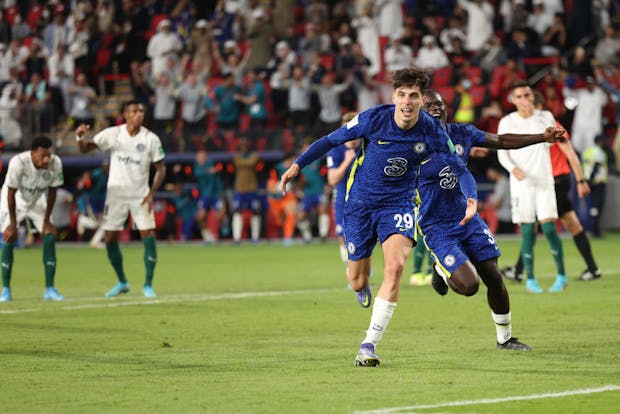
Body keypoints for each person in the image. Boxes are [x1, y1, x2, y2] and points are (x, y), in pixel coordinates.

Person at [280, 67, 481, 367]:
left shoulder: (432, 130)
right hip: (360, 204)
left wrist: (471, 197)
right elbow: (329, 141)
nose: (408, 101)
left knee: (396, 267)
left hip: (398, 204)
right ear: (394, 96)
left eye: (414, 95)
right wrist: (298, 166)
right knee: (356, 279)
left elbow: (458, 166)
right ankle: (362, 286)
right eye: (402, 94)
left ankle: (368, 344)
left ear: (420, 99)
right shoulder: (374, 118)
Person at [417, 89, 564, 352]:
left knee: (493, 275)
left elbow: (502, 141)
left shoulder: (461, 133)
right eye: (428, 105)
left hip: (467, 215)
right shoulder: (409, 143)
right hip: (436, 224)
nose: (436, 107)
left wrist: (542, 138)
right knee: (469, 285)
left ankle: (505, 339)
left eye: (439, 103)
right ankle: (440, 268)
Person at [501, 91, 602, 283]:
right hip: (558, 179)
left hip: (552, 180)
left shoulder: (551, 125)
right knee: (572, 223)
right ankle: (593, 268)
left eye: (531, 106)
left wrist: (581, 181)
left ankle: (519, 270)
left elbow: (571, 153)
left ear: (538, 107)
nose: (527, 110)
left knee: (532, 223)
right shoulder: (538, 126)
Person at [75, 100, 166, 298]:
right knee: (110, 238)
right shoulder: (113, 134)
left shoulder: (151, 139)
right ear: (125, 114)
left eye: (142, 111)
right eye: (135, 111)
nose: (139, 114)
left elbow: (161, 168)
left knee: (147, 235)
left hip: (140, 194)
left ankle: (148, 285)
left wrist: (151, 192)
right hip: (116, 195)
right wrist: (79, 137)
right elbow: (85, 149)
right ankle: (122, 281)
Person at [497, 80, 568, 294]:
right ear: (513, 100)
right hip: (521, 183)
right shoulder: (507, 121)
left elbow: (551, 142)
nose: (524, 100)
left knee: (548, 227)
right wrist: (512, 168)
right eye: (519, 96)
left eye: (527, 95)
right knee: (527, 230)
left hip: (544, 179)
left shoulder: (544, 117)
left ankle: (561, 276)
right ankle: (530, 278)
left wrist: (554, 137)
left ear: (533, 96)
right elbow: (501, 150)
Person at [0, 137, 64, 302]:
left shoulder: (55, 163)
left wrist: (47, 221)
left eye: (49, 155)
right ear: (33, 153)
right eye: (43, 155)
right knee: (9, 237)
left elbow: (52, 192)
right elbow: (10, 193)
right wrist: (13, 224)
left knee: (49, 235)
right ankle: (6, 290)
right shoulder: (18, 162)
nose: (47, 159)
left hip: (37, 200)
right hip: (14, 201)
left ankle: (50, 289)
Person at [326, 112, 359, 265]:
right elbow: (332, 179)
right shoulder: (336, 150)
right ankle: (352, 273)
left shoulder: (368, 146)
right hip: (342, 199)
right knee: (343, 239)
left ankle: (362, 272)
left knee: (362, 238)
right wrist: (346, 161)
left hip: (364, 199)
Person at [581, 134, 609, 241]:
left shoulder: (588, 151)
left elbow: (586, 165)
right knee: (597, 206)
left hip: (589, 182)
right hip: (597, 182)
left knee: (592, 205)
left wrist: (588, 181)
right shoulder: (599, 153)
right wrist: (592, 180)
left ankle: (593, 228)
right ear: (600, 141)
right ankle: (594, 230)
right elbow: (596, 166)